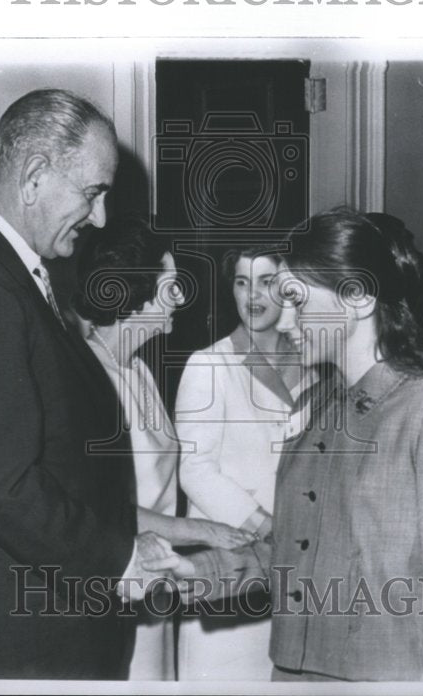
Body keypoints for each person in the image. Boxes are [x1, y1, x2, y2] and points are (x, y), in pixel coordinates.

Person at [0, 89, 179, 679]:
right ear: (34, 177)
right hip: (13, 644)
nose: (100, 217)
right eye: (93, 193)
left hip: (33, 625)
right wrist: (119, 558)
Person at [155, 208, 423, 682]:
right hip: (295, 674)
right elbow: (297, 555)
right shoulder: (318, 407)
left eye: (296, 298)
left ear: (357, 298)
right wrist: (201, 573)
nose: (283, 317)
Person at [72, 215, 253, 680]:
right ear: (134, 290)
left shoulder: (139, 371)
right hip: (117, 584)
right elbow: (96, 507)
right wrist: (202, 531)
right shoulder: (86, 374)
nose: (180, 299)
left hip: (157, 584)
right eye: (170, 286)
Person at [174, 246, 307, 681]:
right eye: (242, 281)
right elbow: (195, 471)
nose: (253, 295)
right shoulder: (208, 365)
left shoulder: (315, 364)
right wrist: (269, 527)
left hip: (294, 577)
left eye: (266, 281)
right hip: (230, 573)